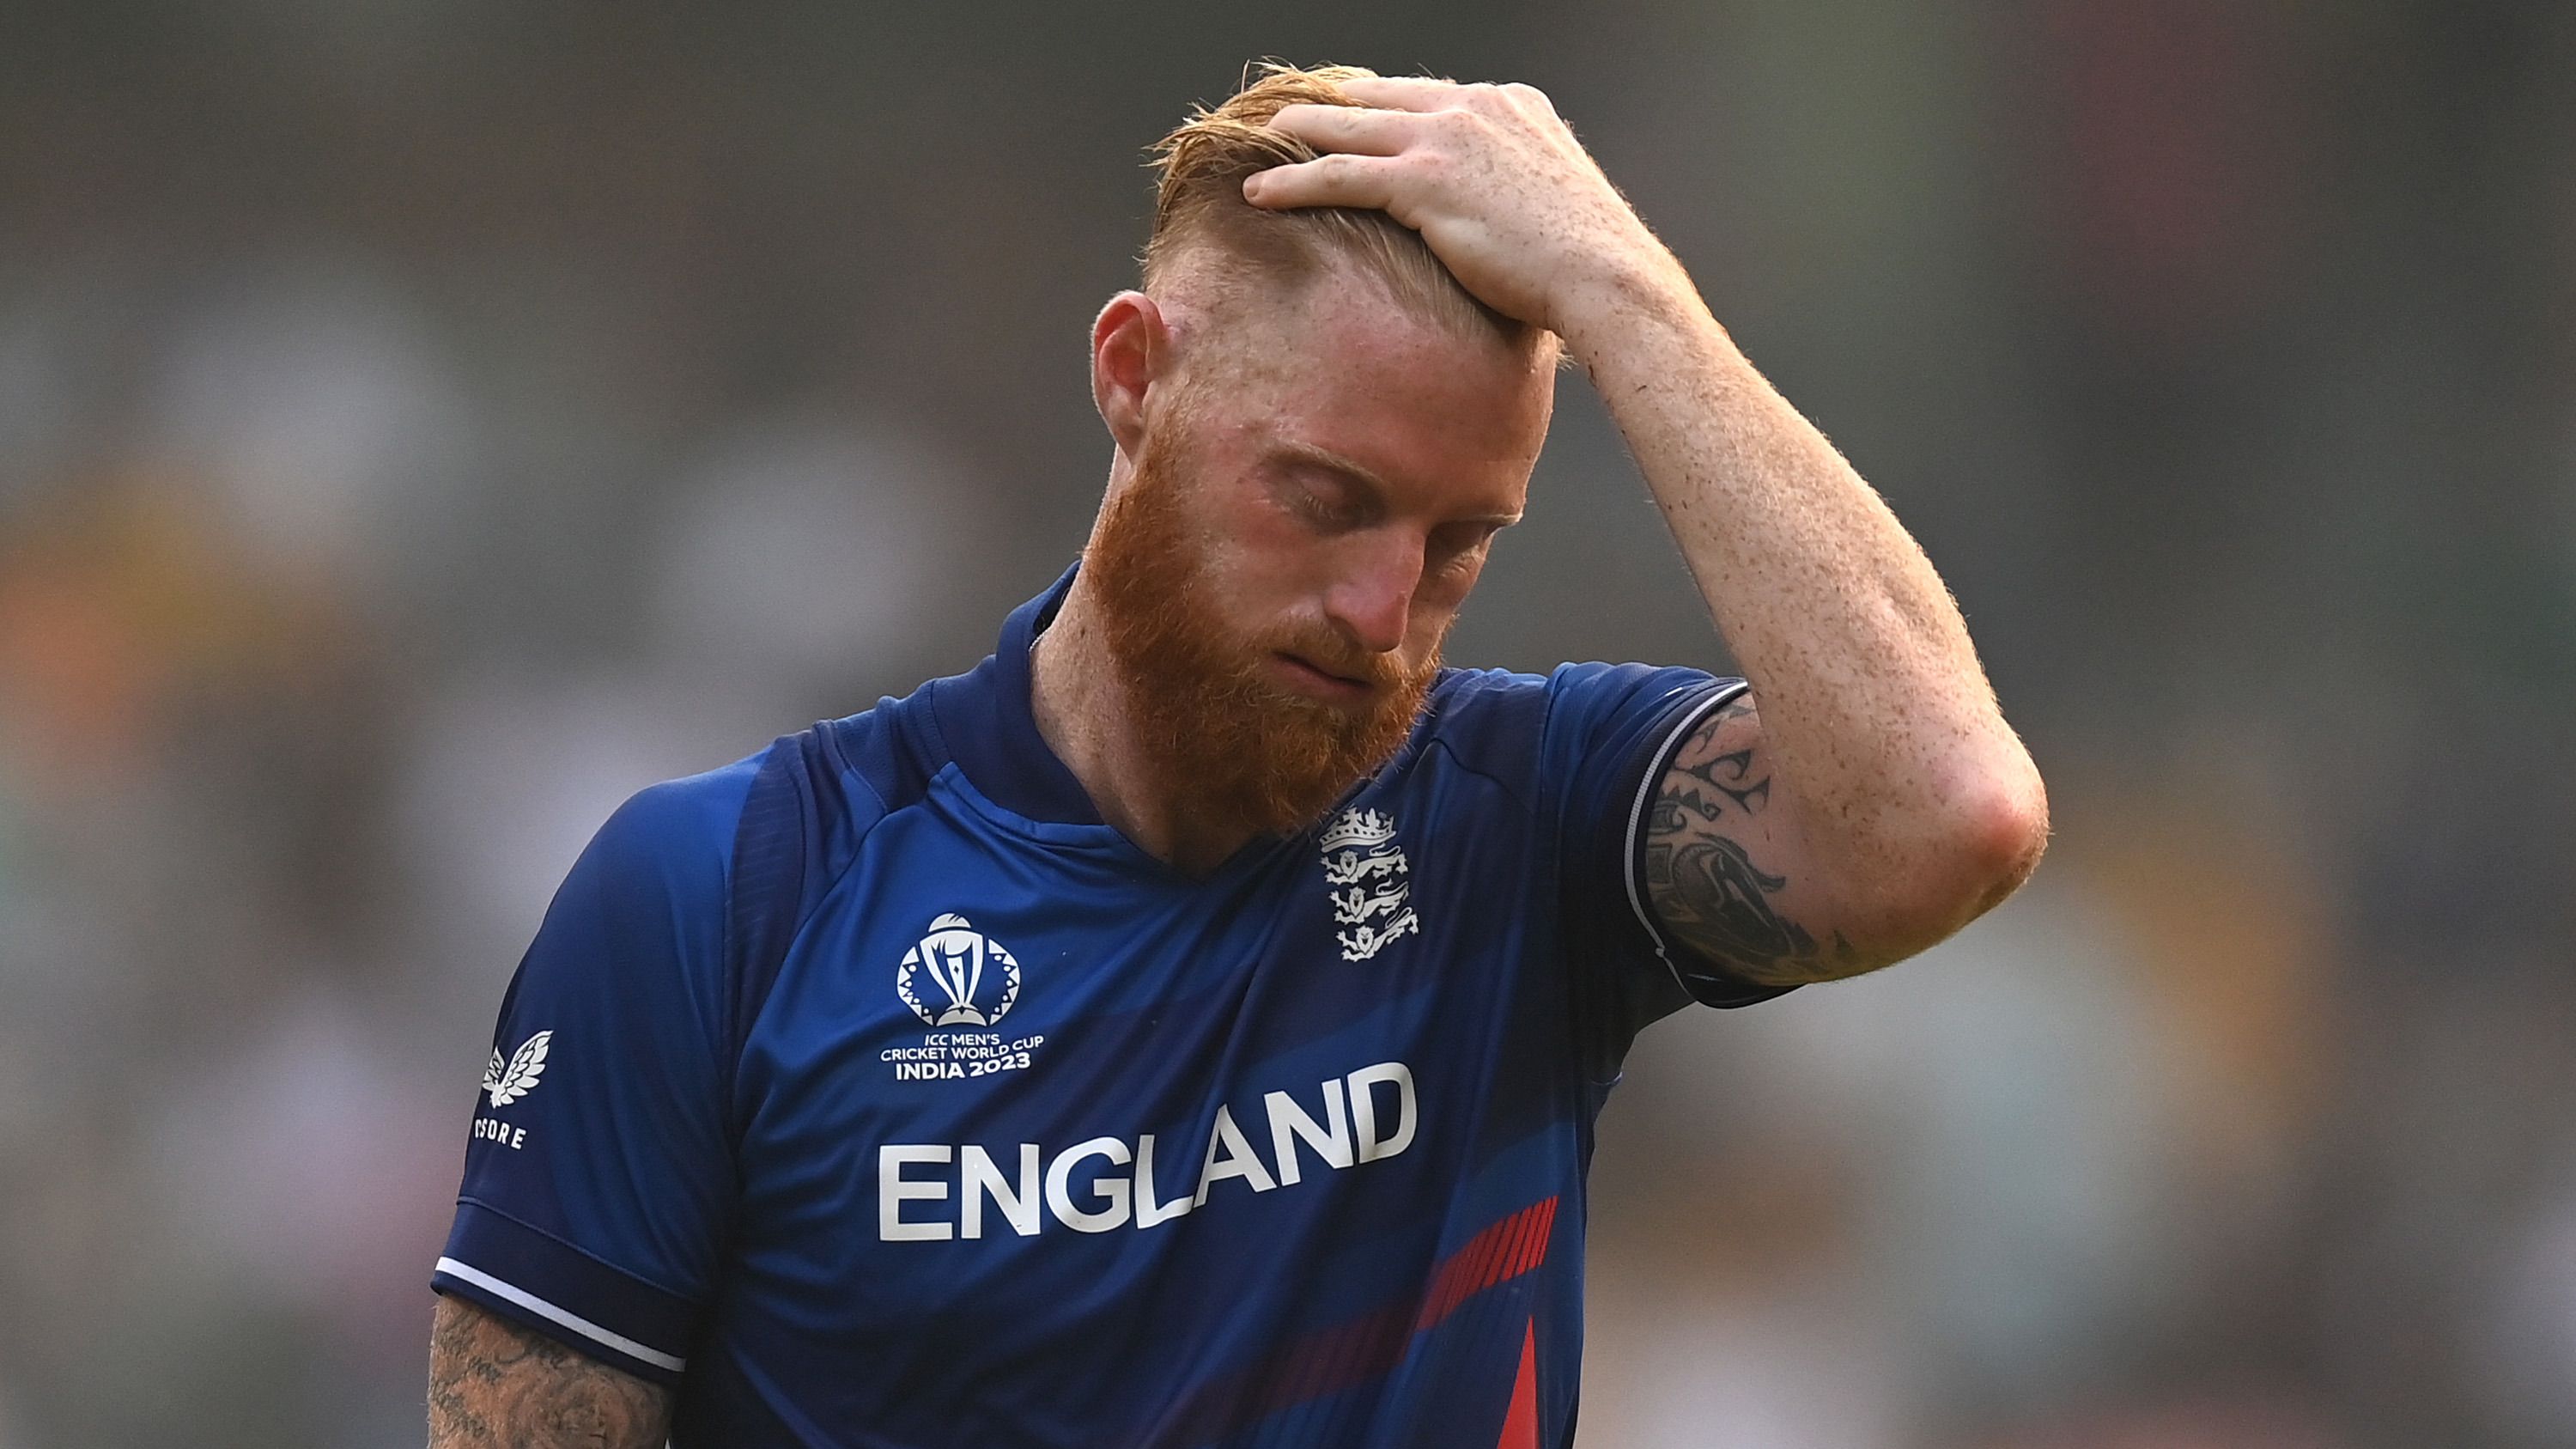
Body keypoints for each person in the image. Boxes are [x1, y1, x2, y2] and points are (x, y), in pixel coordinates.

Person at [423, 64, 2048, 1449]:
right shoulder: (727, 901)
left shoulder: (1519, 822)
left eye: (1462, 541)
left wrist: (1625, 287)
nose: (1382, 609)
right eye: (1326, 499)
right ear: (1135, 375)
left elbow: (1946, 814)